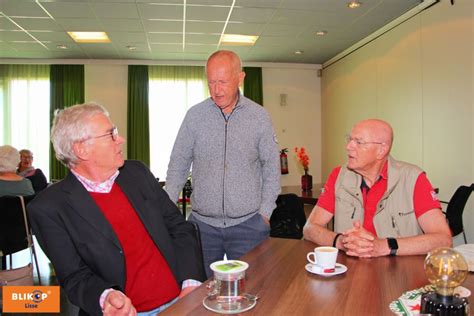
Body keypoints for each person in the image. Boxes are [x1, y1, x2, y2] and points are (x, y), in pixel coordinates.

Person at [28, 103, 205, 316]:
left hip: (182, 299)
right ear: (81, 149)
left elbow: (179, 228)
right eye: (110, 134)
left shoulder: (137, 173)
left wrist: (191, 281)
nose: (120, 139)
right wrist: (106, 297)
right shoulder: (49, 208)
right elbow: (74, 276)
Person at [165, 50, 281, 277]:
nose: (216, 91)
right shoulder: (195, 116)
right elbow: (178, 164)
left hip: (249, 225)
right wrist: (168, 210)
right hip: (202, 227)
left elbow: (271, 167)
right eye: (210, 83)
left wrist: (265, 213)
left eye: (222, 82)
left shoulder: (259, 117)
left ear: (240, 78)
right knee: (200, 295)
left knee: (253, 291)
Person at [303, 119, 452, 257]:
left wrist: (383, 246)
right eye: (349, 139)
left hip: (399, 276)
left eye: (358, 142)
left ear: (381, 150)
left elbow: (443, 239)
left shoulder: (413, 178)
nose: (348, 146)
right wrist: (342, 242)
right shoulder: (339, 176)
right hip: (350, 273)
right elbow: (310, 228)